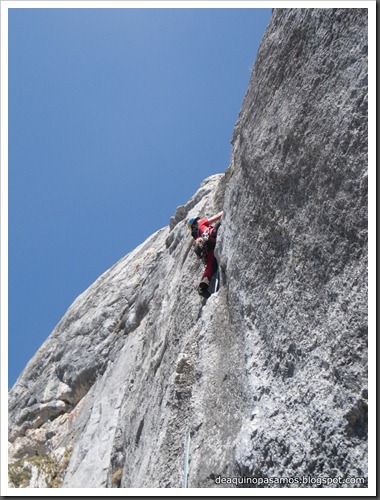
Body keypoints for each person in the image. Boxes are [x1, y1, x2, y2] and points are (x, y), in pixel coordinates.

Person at [187, 211, 223, 298]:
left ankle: (203, 287)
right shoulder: (201, 222)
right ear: (196, 221)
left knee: (211, 265)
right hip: (211, 236)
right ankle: (215, 231)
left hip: (207, 249)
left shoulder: (196, 237)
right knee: (217, 228)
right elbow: (216, 217)